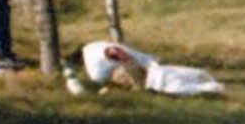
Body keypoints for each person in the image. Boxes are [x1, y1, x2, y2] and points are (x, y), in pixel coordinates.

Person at [73, 40, 223, 96]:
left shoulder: (92, 54)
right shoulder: (92, 49)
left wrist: (133, 66)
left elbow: (113, 52)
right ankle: (206, 85)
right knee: (176, 78)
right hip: (148, 71)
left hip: (147, 73)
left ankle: (210, 88)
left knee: (174, 87)